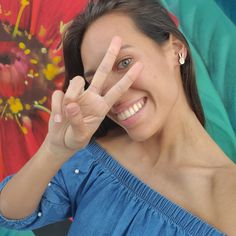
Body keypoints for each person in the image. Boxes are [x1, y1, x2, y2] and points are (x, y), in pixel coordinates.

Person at [0, 0, 235, 235]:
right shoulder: (91, 162)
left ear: (176, 50)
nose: (114, 94)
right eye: (95, 80)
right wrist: (54, 150)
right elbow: (10, 214)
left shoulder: (228, 197)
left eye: (124, 63)